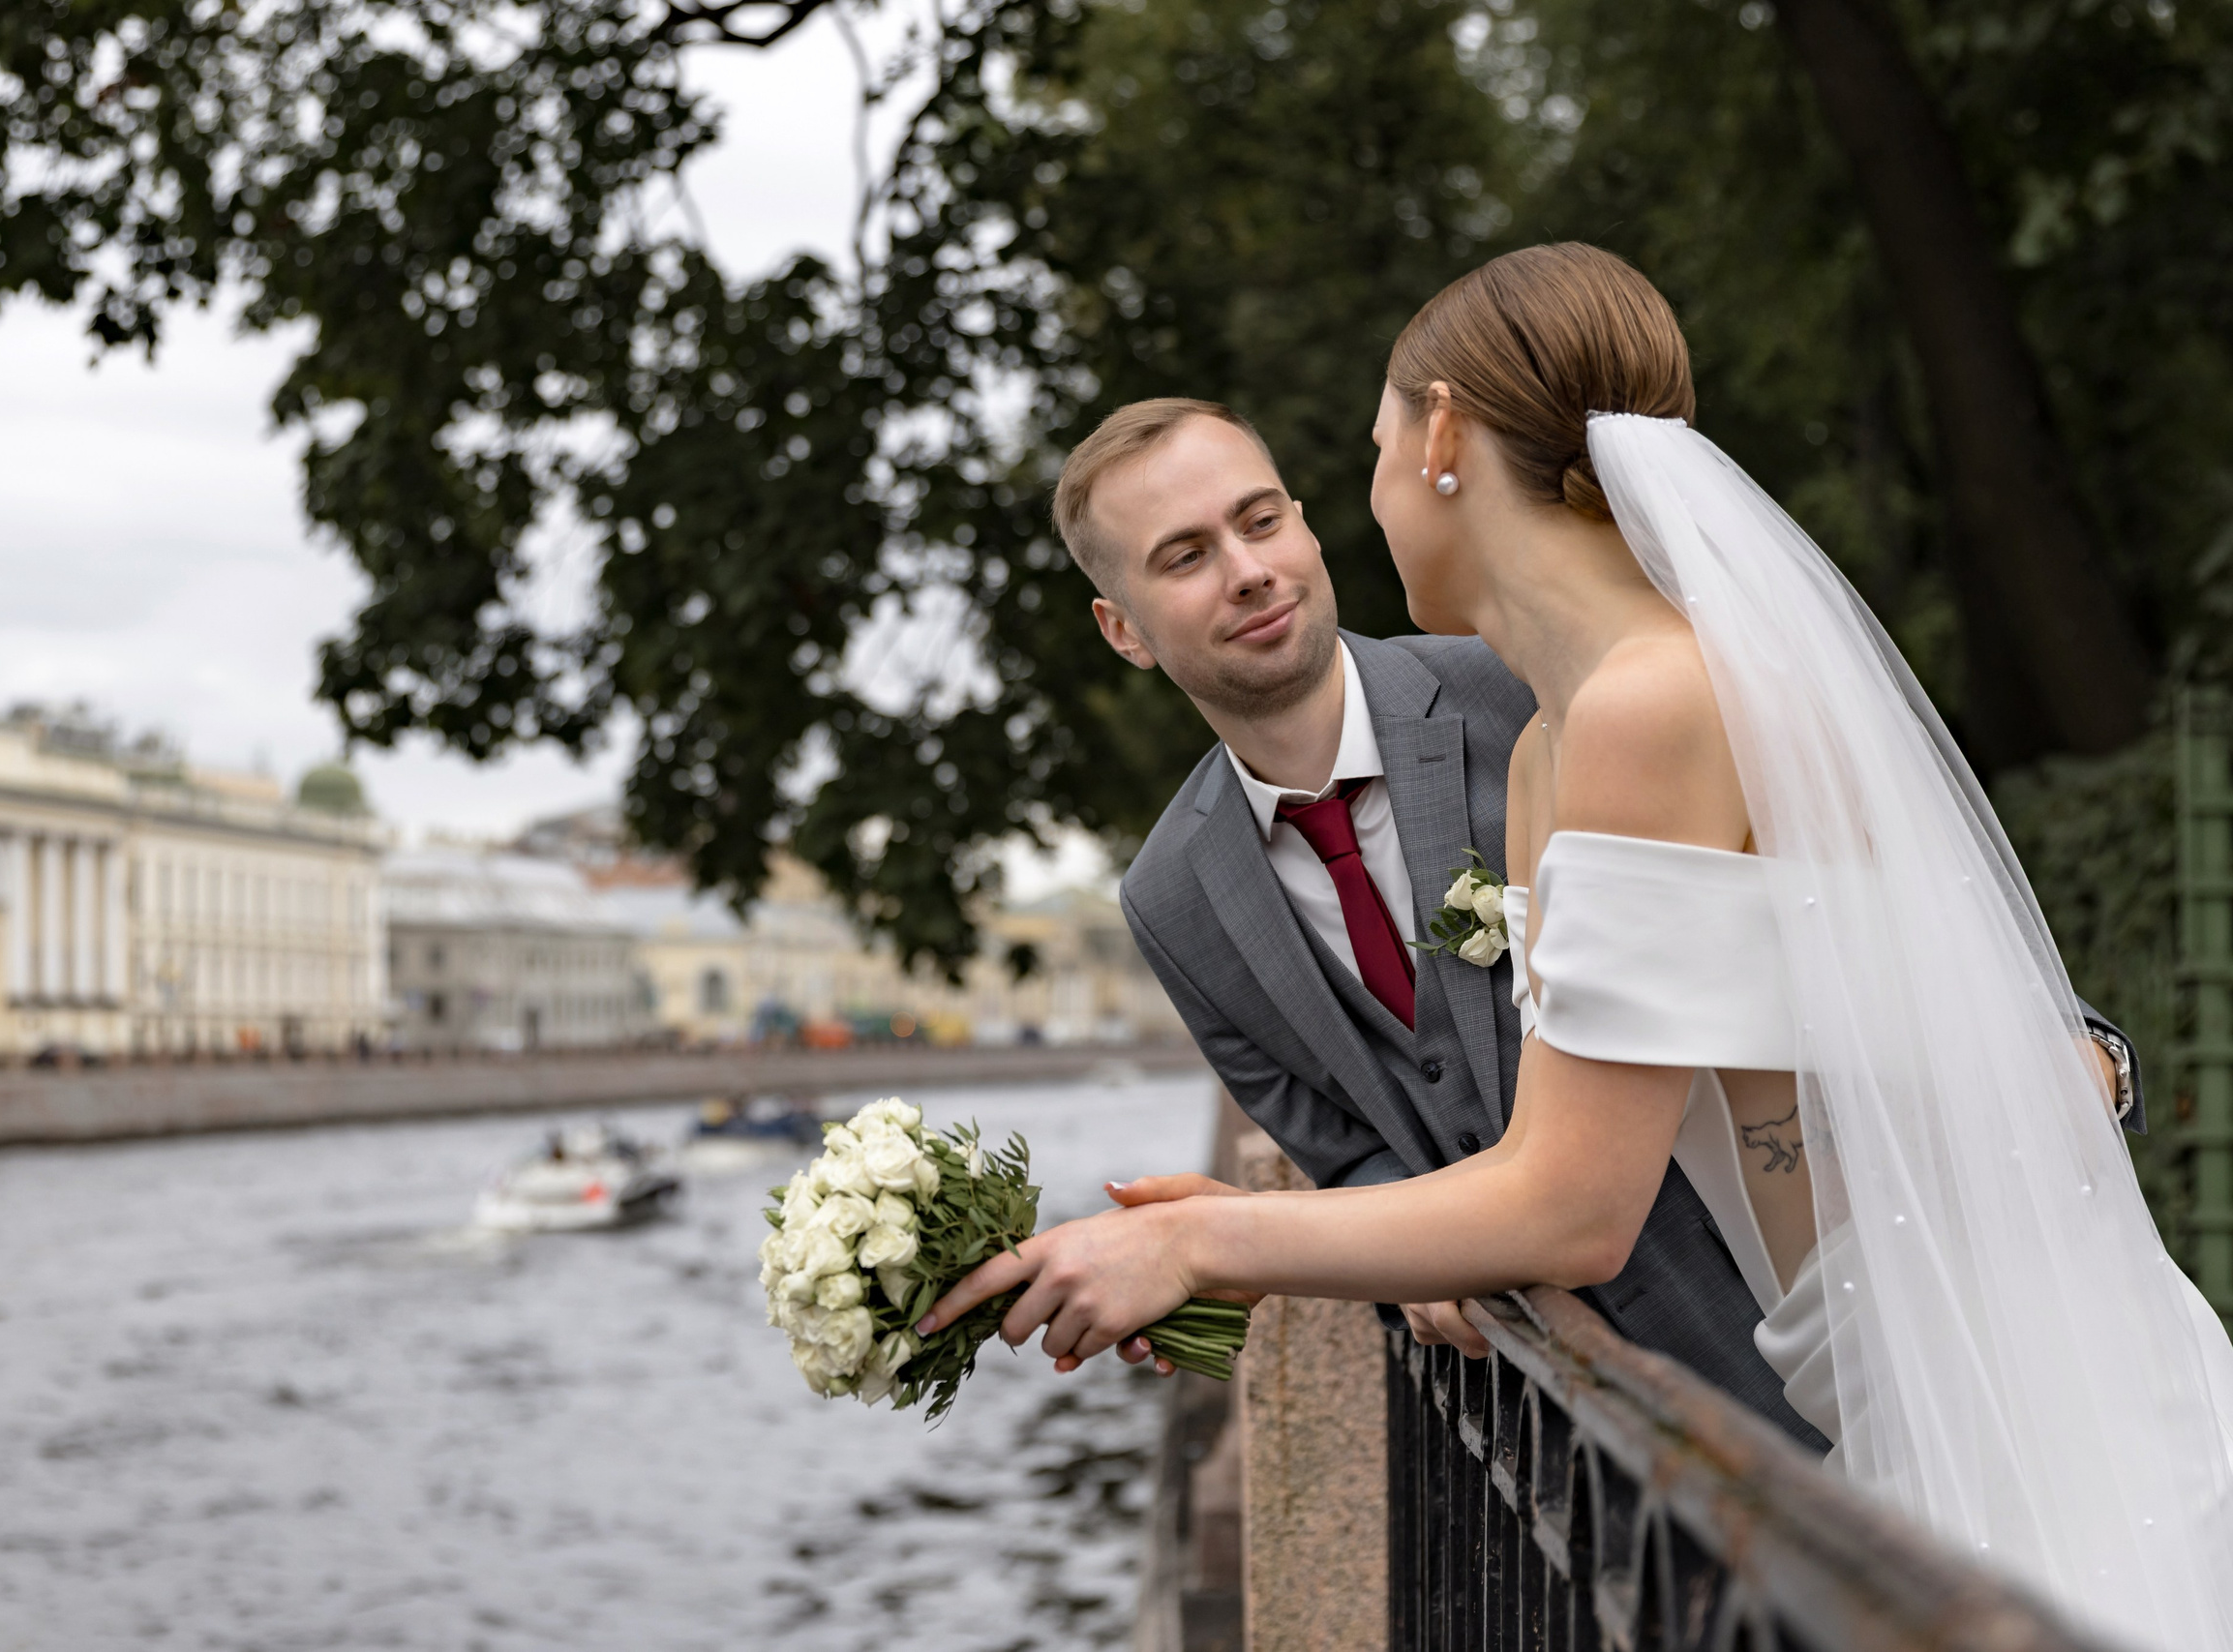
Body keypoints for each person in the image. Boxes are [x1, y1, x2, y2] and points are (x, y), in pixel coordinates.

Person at [920, 245, 2233, 1646]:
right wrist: (1300, 1236)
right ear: (1123, 622)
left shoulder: (1636, 711)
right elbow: (1533, 1133)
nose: (1294, 547)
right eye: (1188, 554)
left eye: (1341, 469)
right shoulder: (1560, 743)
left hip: (1980, 1361)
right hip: (1844, 1379)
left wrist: (1209, 1244)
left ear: (1438, 442)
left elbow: (1577, 1194)